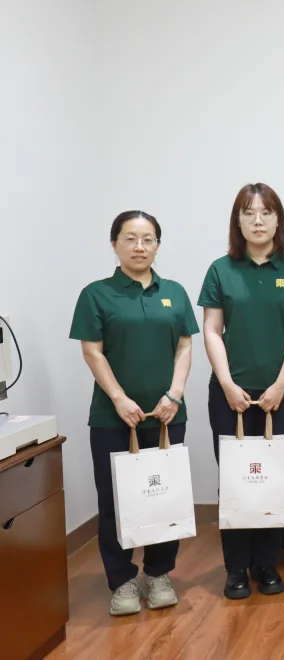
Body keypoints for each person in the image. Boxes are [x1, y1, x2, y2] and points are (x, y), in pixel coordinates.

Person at [70, 211, 199, 616]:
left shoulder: (174, 292)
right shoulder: (96, 294)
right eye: (130, 238)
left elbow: (185, 345)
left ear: (158, 244)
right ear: (115, 244)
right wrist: (119, 398)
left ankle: (159, 573)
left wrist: (175, 394)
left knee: (165, 496)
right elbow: (92, 351)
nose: (139, 247)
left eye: (148, 239)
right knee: (115, 501)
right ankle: (122, 581)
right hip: (113, 418)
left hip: (166, 416)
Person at [198, 183, 284, 600]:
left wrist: (280, 384)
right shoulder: (221, 270)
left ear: (278, 220)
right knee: (234, 480)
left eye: (266, 212)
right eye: (249, 213)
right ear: (238, 221)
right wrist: (227, 383)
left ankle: (267, 564)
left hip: (281, 392)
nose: (258, 220)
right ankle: (235, 568)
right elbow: (212, 330)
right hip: (229, 392)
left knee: (270, 478)